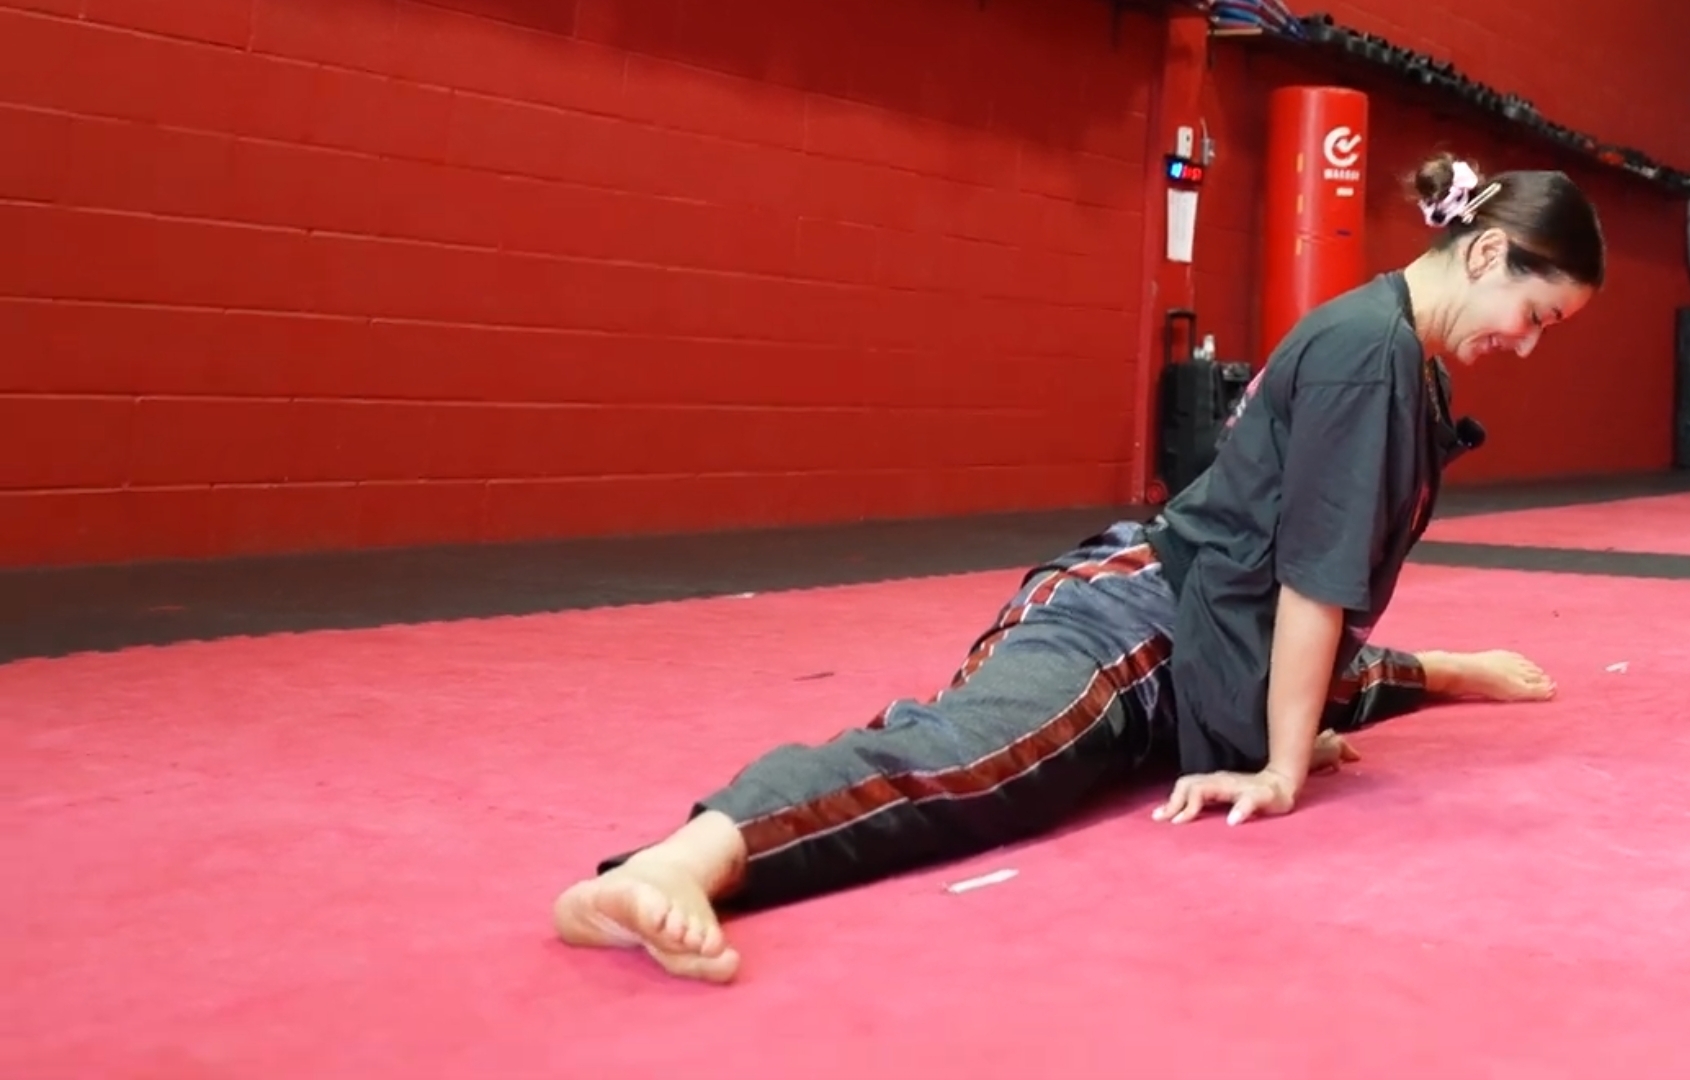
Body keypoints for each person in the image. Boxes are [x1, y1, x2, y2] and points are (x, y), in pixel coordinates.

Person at [552, 152, 1606, 984]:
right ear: (1486, 253)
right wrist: (1282, 772)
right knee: (994, 759)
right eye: (1539, 316)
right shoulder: (1368, 353)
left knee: (1320, 680)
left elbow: (1306, 607)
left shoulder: (1396, 351)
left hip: (1216, 620)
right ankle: (681, 861)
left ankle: (1436, 669)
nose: (1527, 344)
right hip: (1131, 611)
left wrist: (1350, 712)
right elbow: (1312, 584)